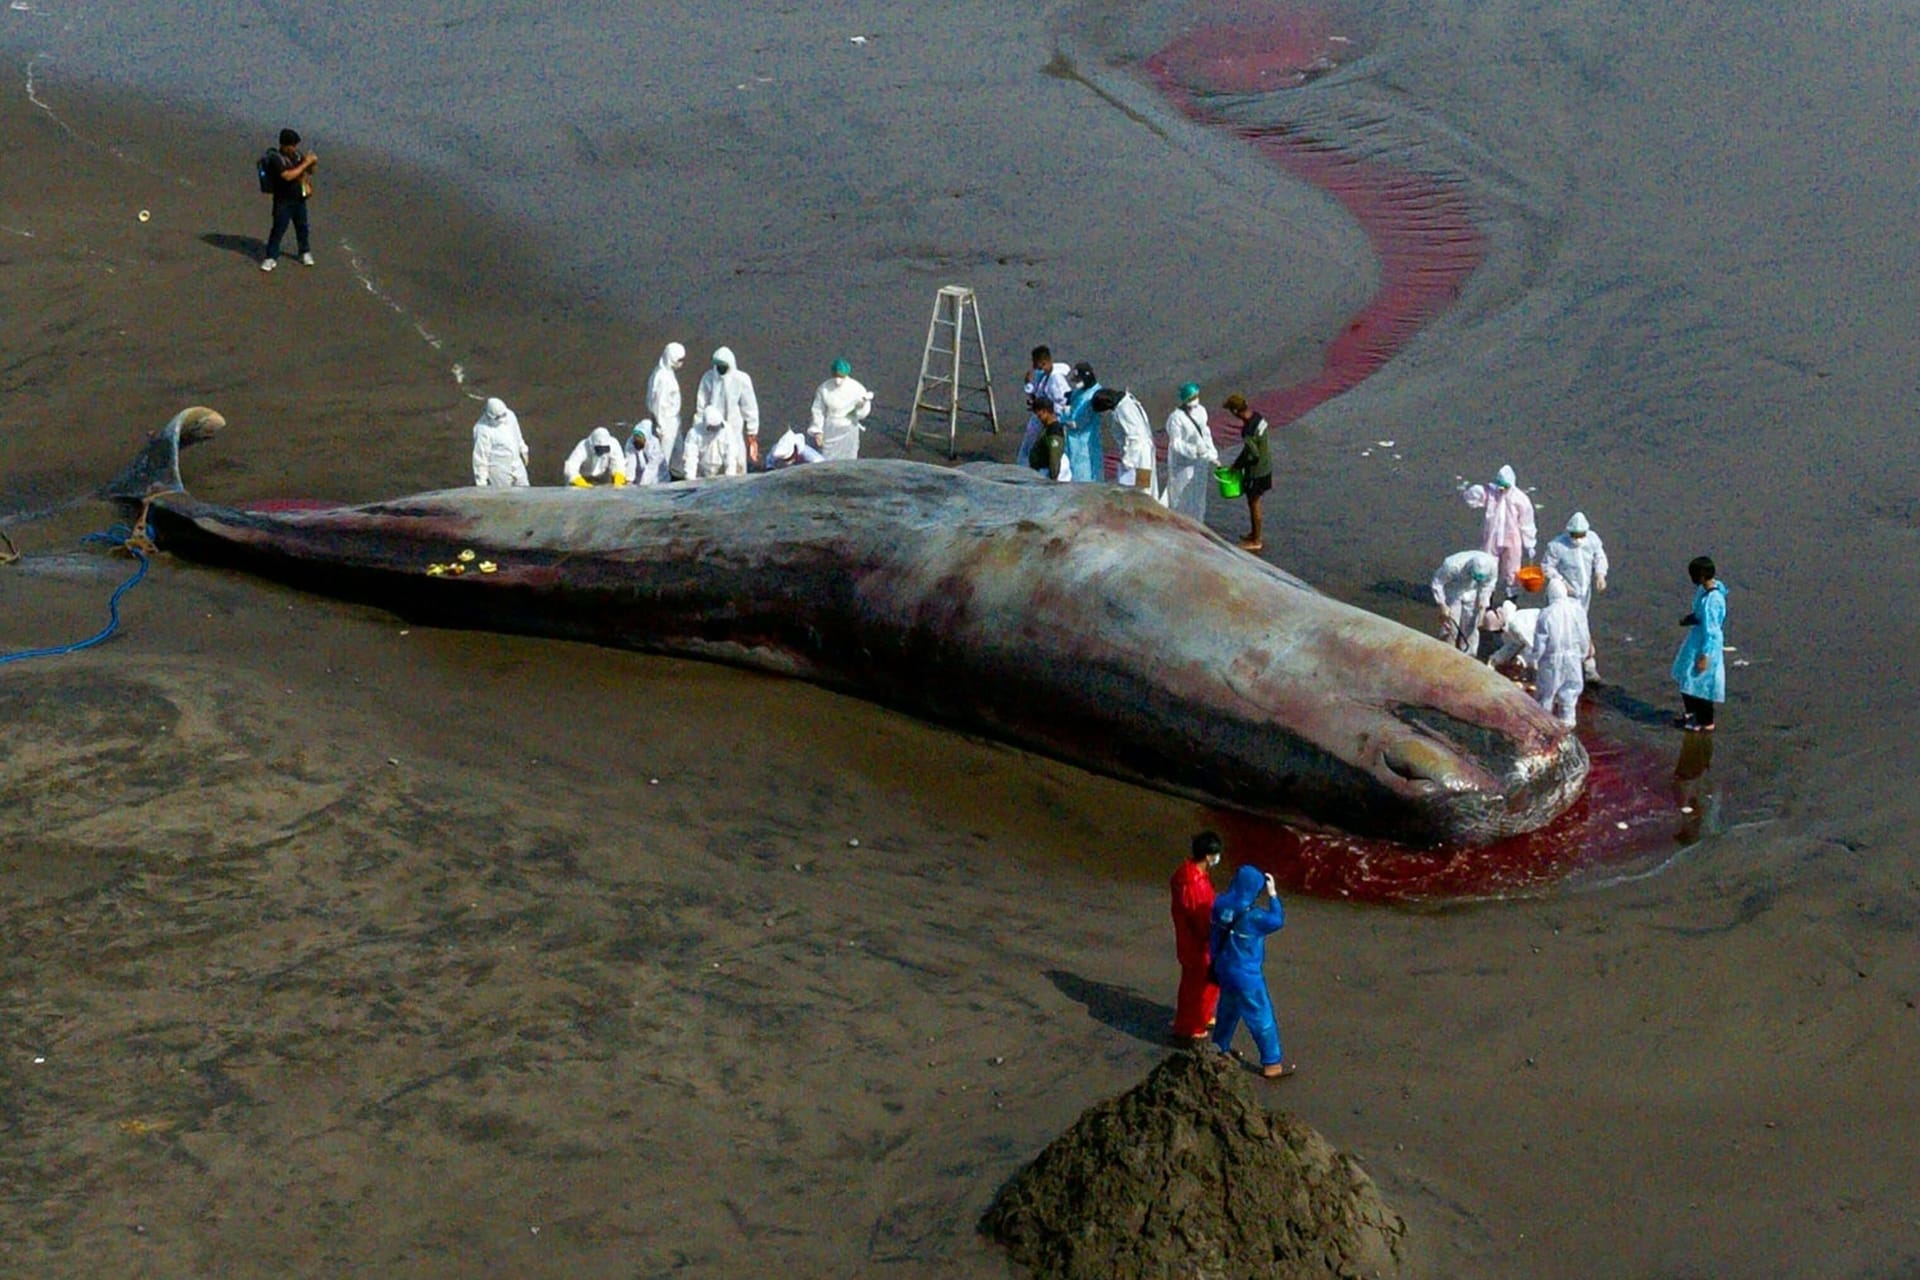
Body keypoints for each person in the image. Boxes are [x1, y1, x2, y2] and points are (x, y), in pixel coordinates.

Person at [1208, 864, 1294, 1079]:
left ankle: (1219, 1048)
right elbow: (1277, 920)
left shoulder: (1220, 904)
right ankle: (1271, 1063)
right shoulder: (1254, 917)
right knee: (1261, 1016)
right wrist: (1273, 895)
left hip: (1223, 967)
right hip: (1246, 974)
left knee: (1227, 1009)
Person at [1541, 511, 1610, 679]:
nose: (1578, 538)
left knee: (1581, 625)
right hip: (1564, 595)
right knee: (1565, 628)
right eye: (1575, 535)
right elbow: (1546, 567)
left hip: (1584, 592)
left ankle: (1585, 664)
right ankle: (1578, 665)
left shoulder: (1592, 540)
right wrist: (1562, 583)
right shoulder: (1557, 546)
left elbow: (1599, 556)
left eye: (1581, 535)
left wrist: (1600, 575)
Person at [1169, 831, 1223, 1043]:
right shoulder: (1194, 883)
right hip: (1198, 943)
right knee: (1198, 984)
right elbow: (1200, 919)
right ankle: (1189, 1027)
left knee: (1202, 983)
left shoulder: (1186, 873)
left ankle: (1202, 1016)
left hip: (1191, 939)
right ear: (1209, 856)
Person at [1460, 464, 1538, 596]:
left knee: (1512, 571)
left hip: (1512, 540)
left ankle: (1511, 600)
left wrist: (1529, 543)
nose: (1502, 489)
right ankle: (1487, 599)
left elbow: (1527, 522)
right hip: (1492, 538)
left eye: (1505, 486)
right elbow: (1471, 499)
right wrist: (1477, 490)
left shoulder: (1520, 499)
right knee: (1487, 567)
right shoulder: (1490, 494)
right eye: (1500, 485)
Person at [1671, 555, 1727, 732]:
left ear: (1701, 576)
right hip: (1696, 639)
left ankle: (1705, 722)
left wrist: (1705, 655)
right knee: (1686, 674)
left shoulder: (1713, 600)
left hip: (1705, 644)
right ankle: (1691, 712)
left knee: (1702, 683)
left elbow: (1712, 630)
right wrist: (1691, 619)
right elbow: (1700, 615)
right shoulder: (1705, 591)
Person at [1528, 576, 1591, 726]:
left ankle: (1543, 727)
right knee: (1570, 694)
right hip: (1573, 658)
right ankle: (1568, 726)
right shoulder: (1577, 610)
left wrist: (1534, 660)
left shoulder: (1546, 614)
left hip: (1551, 660)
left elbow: (1540, 642)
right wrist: (1582, 654)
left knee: (1546, 695)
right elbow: (1584, 635)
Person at [692, 346, 759, 476]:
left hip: (734, 429)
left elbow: (749, 407)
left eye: (723, 366)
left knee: (737, 462)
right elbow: (701, 405)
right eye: (718, 366)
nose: (720, 369)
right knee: (709, 463)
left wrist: (752, 433)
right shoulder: (708, 378)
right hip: (711, 428)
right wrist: (697, 429)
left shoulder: (741, 380)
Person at [259, 128, 318, 272]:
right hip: (283, 201)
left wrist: (312, 162)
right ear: (284, 145)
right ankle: (271, 257)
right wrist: (305, 164)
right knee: (279, 228)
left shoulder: (297, 155)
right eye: (292, 145)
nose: (294, 149)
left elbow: (310, 171)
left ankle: (304, 252)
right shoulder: (275, 158)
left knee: (302, 227)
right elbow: (287, 176)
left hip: (298, 199)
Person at [1220, 394, 1272, 552]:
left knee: (1254, 503)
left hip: (1256, 471)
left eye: (1231, 411)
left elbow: (1253, 453)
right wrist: (1237, 463)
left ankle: (1256, 540)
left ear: (1236, 411)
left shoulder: (1248, 429)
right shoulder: (1258, 417)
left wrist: (1238, 467)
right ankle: (1254, 534)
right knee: (1254, 502)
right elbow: (1252, 449)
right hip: (1267, 465)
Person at [1164, 382, 1218, 522]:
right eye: (1192, 397)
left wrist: (1211, 451)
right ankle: (1180, 525)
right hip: (1182, 465)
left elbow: (1205, 432)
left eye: (1196, 396)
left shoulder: (1201, 411)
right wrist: (1193, 450)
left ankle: (1198, 523)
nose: (1195, 400)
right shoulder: (1176, 418)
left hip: (1199, 464)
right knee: (1180, 497)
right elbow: (1175, 443)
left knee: (1198, 496)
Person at [1431, 549, 1498, 655]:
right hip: (1454, 590)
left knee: (1471, 626)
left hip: (1473, 592)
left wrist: (1483, 607)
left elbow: (1488, 585)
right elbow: (1437, 583)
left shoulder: (1492, 566)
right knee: (1451, 625)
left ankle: (1469, 655)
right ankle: (1445, 652)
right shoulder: (1452, 565)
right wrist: (1442, 605)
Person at [1095, 386, 1157, 497]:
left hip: (1139, 456)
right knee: (1143, 487)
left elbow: (1135, 436)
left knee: (1142, 489)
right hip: (1142, 452)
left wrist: (1128, 460)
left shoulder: (1124, 409)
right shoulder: (1126, 402)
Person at [807, 358, 873, 460]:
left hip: (849, 429)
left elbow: (863, 412)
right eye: (836, 376)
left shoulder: (857, 388)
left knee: (849, 458)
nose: (838, 380)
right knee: (827, 457)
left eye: (841, 376)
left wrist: (859, 408)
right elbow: (818, 410)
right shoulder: (824, 388)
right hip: (831, 430)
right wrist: (817, 431)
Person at [1016, 346, 1071, 466]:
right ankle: (1024, 465)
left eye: (1036, 365)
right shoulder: (1044, 375)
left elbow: (1064, 403)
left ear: (1044, 363)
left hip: (1050, 418)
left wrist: (1048, 412)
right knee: (1029, 442)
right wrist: (1028, 386)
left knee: (1048, 445)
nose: (1034, 368)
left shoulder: (1056, 380)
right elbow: (1037, 392)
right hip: (1042, 414)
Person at [647, 342, 686, 480]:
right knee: (663, 458)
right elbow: (659, 404)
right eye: (679, 360)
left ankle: (678, 477)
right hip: (666, 422)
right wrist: (661, 426)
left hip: (674, 420)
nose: (681, 363)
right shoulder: (662, 378)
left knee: (678, 453)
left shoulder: (668, 372)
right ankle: (659, 483)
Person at [470, 397, 529, 487]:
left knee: (525, 491)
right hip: (498, 469)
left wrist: (523, 449)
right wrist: (481, 482)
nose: (502, 418)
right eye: (498, 417)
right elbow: (480, 457)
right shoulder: (482, 429)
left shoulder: (510, 415)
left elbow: (517, 434)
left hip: (516, 464)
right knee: (504, 497)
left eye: (503, 415)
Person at [1063, 362, 1104, 483]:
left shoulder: (1092, 397)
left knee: (1085, 478)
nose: (1076, 383)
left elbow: (1077, 423)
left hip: (1084, 445)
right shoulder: (1081, 391)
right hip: (1073, 443)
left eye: (1079, 379)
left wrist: (1062, 417)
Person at [1482, 597, 1541, 672]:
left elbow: (1533, 646)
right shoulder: (1509, 627)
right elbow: (1512, 645)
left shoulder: (1516, 625)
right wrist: (1496, 658)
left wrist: (1522, 659)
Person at [562, 426, 628, 486]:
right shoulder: (583, 447)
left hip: (603, 477)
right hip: (583, 477)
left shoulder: (614, 444)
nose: (602, 452)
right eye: (599, 449)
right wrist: (581, 483)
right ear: (592, 445)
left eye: (604, 449)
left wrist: (618, 479)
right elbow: (571, 467)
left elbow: (619, 464)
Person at [1026, 402, 1069, 481]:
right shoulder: (1047, 428)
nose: (1037, 417)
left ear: (1045, 411)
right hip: (1042, 471)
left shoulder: (1054, 431)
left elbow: (1054, 457)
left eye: (1039, 415)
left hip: (1048, 473)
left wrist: (1053, 481)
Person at [625, 420, 661, 485]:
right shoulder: (630, 442)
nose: (637, 439)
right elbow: (631, 462)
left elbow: (652, 466)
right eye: (636, 438)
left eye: (640, 438)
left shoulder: (655, 444)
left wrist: (643, 483)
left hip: (658, 476)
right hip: (639, 474)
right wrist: (629, 479)